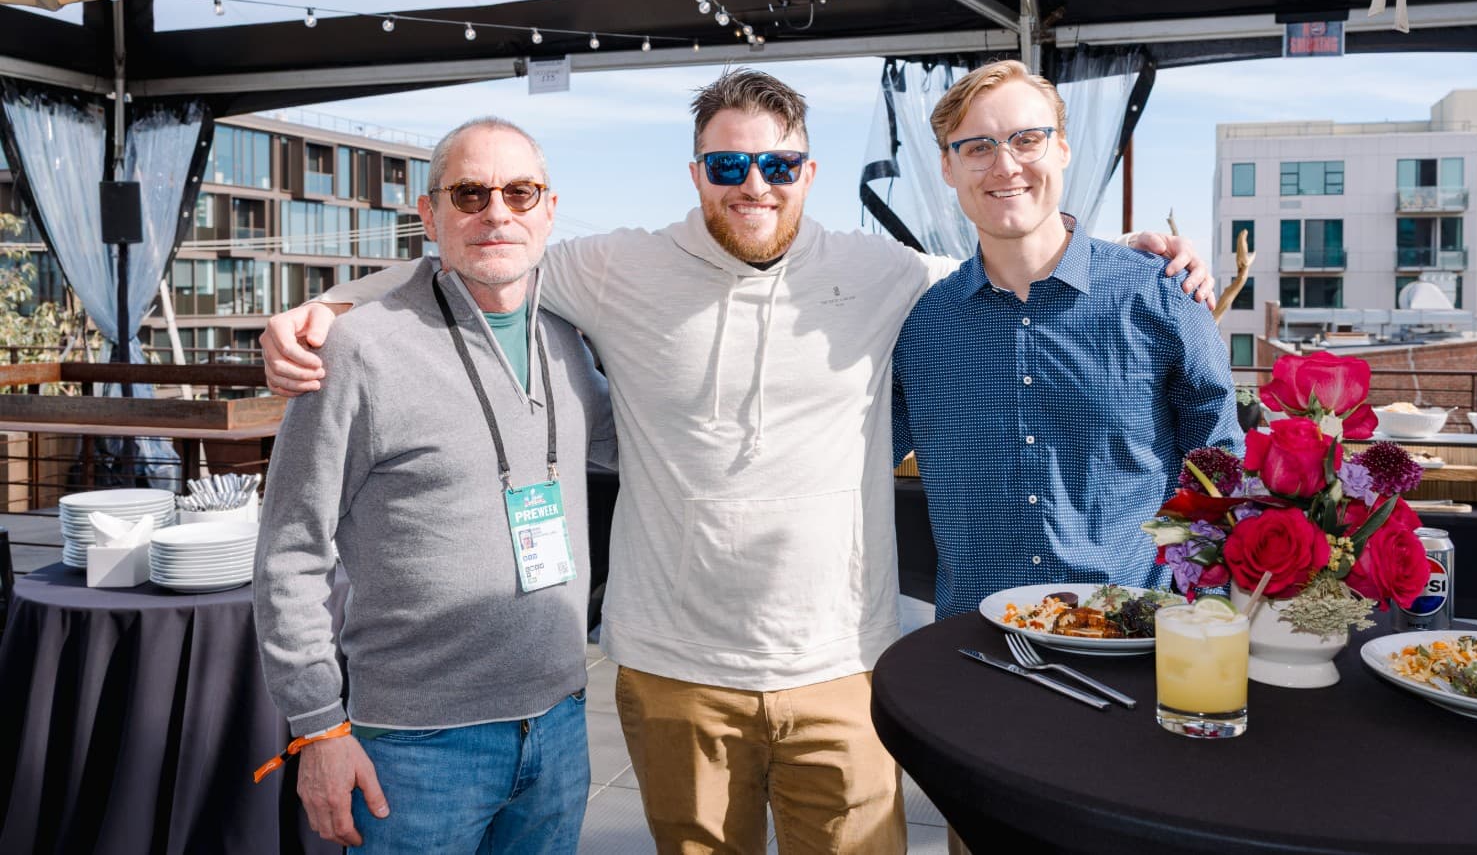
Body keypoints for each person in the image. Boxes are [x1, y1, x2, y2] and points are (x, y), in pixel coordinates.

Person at [259, 70, 1213, 855]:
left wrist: (1136, 256)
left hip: (843, 662)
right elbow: (486, 253)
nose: (753, 184)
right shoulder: (615, 266)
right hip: (674, 670)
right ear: (696, 171)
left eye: (777, 163)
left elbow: (1018, 259)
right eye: (728, 164)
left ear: (808, 170)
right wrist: (332, 305)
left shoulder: (885, 272)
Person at [253, 118, 614, 854]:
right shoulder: (357, 349)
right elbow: (290, 548)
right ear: (430, 214)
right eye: (470, 193)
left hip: (560, 726)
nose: (497, 213)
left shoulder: (572, 339)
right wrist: (318, 725)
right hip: (418, 747)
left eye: (519, 192)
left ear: (549, 207)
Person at [893, 60, 1242, 624]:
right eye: (977, 147)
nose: (1005, 165)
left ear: (1062, 149)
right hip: (975, 654)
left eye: (1027, 139)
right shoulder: (922, 324)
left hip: (1135, 644)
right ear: (947, 168)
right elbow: (848, 459)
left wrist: (1203, 625)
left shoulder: (1162, 294)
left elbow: (1223, 474)